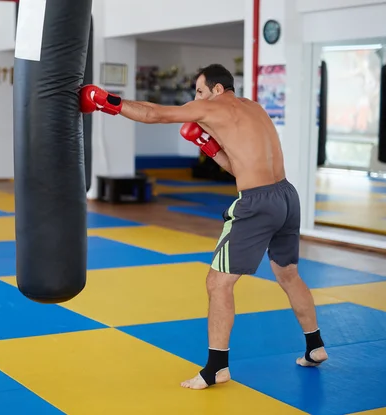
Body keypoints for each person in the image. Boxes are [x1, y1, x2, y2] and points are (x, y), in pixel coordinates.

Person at [79, 63, 328, 390]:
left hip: (256, 203)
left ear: (217, 89)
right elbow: (238, 166)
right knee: (288, 274)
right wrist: (209, 147)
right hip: (286, 197)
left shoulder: (212, 106)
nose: (195, 100)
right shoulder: (255, 108)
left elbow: (154, 114)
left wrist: (107, 101)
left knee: (218, 283)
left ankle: (216, 368)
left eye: (198, 91)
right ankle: (315, 345)